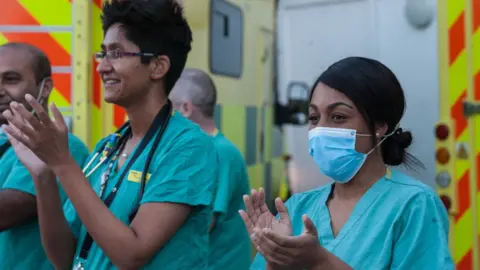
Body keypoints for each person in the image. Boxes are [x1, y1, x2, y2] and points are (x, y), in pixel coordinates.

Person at [1, 1, 218, 269]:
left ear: (158, 66)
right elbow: (65, 258)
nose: (102, 67)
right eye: (102, 54)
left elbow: (132, 255)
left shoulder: (187, 146)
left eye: (116, 54)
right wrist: (43, 176)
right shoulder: (108, 147)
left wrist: (62, 163)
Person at [240, 57, 454, 270]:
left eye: (338, 117)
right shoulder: (296, 208)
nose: (321, 130)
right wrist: (276, 261)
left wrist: (320, 262)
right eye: (314, 118)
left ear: (379, 125)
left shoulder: (414, 205)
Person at [0, 42, 90, 269]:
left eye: (11, 79)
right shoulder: (6, 143)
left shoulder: (63, 146)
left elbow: (8, 210)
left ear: (46, 87)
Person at [170, 68, 252, 270]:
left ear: (186, 109)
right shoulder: (202, 151)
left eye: (169, 108)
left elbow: (206, 223)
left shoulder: (221, 154)